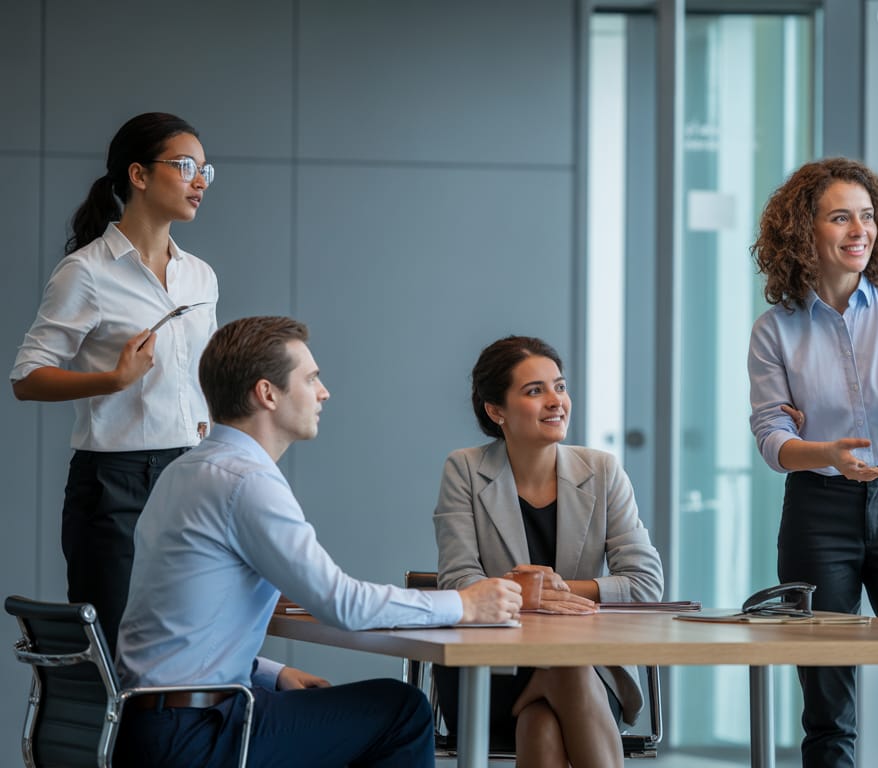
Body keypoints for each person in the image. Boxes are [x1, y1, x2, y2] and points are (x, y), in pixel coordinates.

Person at [114, 316, 522, 767]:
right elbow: (341, 604)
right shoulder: (246, 481)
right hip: (195, 736)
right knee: (403, 711)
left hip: (150, 723)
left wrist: (275, 673)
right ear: (267, 394)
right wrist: (466, 605)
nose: (323, 392)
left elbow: (187, 632)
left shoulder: (189, 470)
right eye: (310, 378)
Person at [748, 157, 878, 768]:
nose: (858, 230)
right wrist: (826, 454)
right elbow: (771, 436)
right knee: (827, 714)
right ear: (803, 231)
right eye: (841, 218)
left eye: (866, 217)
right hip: (819, 512)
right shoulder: (775, 330)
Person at [10, 112, 218, 651]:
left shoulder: (200, 275)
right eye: (186, 166)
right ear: (139, 175)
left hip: (190, 472)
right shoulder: (87, 271)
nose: (200, 181)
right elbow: (27, 378)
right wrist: (112, 379)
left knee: (190, 637)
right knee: (115, 648)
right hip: (114, 483)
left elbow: (206, 378)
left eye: (205, 171)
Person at [434, 335, 664, 768]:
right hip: (492, 669)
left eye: (559, 386)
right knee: (566, 673)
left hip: (589, 671)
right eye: (534, 391)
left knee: (545, 714)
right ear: (496, 410)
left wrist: (545, 591)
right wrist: (532, 595)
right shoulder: (464, 470)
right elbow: (458, 582)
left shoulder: (602, 471)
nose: (555, 401)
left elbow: (645, 583)